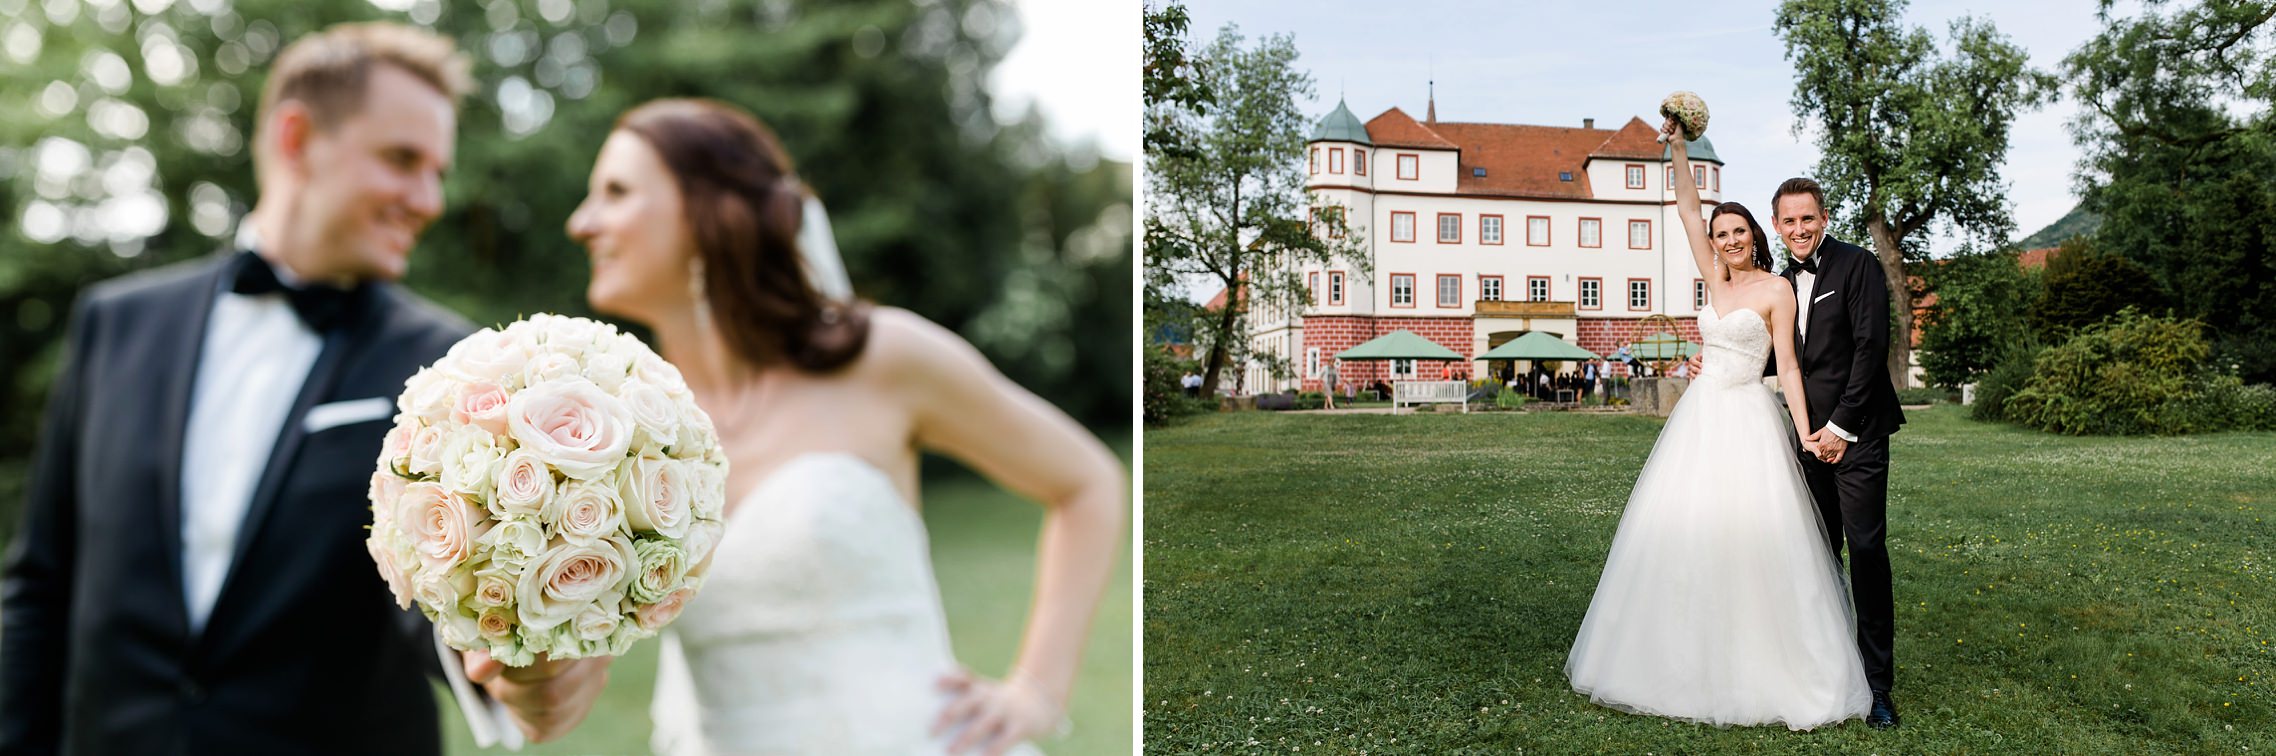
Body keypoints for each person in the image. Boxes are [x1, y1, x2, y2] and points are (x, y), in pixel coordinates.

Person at [0, 23, 581, 753]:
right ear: (297, 138)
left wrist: (513, 659)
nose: (429, 199)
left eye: (437, 170)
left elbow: (439, 592)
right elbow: (41, 584)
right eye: (403, 160)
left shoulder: (452, 367)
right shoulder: (115, 322)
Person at [530, 98, 1125, 754]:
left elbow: (1086, 482)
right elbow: (560, 675)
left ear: (709, 214)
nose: (581, 222)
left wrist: (1036, 690)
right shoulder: (614, 436)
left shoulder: (883, 359)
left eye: (615, 192)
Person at [1565, 116, 1873, 731]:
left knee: (1756, 535)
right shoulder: (1714, 279)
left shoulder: (1776, 290)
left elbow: (1787, 365)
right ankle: (1673, 658)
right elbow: (1684, 209)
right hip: (1700, 417)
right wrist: (1678, 148)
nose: (1728, 241)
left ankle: (1767, 663)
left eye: (1737, 232)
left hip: (1750, 423)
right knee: (1684, 532)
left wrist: (1810, 429)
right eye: (1720, 234)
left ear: (1754, 235)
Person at [1680, 173, 1908, 728]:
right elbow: (1782, 358)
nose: (1799, 229)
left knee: (1867, 552)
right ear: (1776, 226)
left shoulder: (1858, 266)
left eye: (1808, 219)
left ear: (1824, 218)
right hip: (1802, 441)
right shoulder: (1778, 282)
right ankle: (1829, 665)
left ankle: (1878, 686)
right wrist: (1713, 364)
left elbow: (1869, 348)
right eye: (1789, 221)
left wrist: (1840, 428)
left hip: (1854, 435)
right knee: (1813, 554)